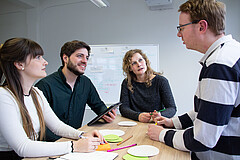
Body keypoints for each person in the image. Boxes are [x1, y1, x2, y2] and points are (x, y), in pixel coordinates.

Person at [147, 0, 240, 159]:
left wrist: (162, 134)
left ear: (202, 26)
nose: (179, 34)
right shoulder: (229, 54)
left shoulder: (220, 65)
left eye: (181, 28)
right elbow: (206, 111)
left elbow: (202, 139)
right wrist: (173, 123)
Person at [0, 38, 105, 159]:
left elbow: (57, 127)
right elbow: (23, 147)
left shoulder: (36, 93)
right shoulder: (4, 96)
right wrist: (74, 146)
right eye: (38, 57)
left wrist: (82, 135)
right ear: (19, 64)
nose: (45, 62)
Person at [35, 40, 117, 142]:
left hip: (75, 139)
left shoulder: (85, 83)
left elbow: (98, 105)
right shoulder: (45, 86)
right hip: (51, 145)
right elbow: (39, 125)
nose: (85, 61)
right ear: (65, 58)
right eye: (79, 56)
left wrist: (106, 114)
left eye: (87, 57)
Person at [119, 49, 177, 122]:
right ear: (129, 68)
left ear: (146, 61)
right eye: (134, 63)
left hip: (157, 122)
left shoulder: (161, 81)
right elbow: (123, 108)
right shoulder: (126, 83)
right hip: (135, 123)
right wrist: (138, 116)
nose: (139, 64)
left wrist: (160, 115)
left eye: (140, 60)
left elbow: (172, 108)